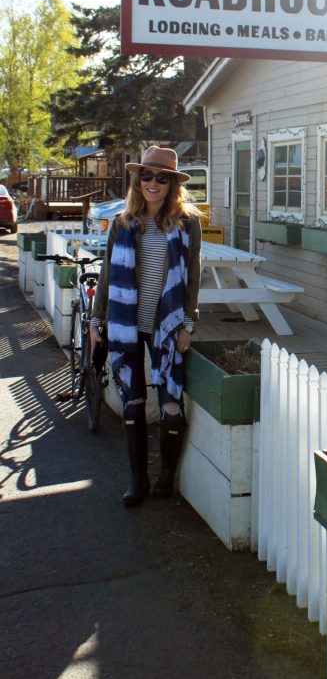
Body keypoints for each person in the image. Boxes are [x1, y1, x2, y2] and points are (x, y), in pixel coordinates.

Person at [91, 146, 202, 507]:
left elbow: (193, 280)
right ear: (138, 181)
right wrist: (96, 319)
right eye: (147, 176)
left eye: (162, 177)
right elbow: (107, 274)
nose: (153, 183)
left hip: (166, 327)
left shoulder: (187, 225)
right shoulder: (124, 223)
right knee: (134, 403)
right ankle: (137, 481)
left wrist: (188, 324)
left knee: (171, 407)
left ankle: (165, 477)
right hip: (126, 325)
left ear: (173, 184)